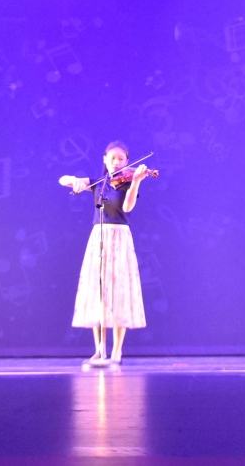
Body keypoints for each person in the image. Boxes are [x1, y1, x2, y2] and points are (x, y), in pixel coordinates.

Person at [59, 141, 149, 366]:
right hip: (98, 236)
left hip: (120, 237)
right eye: (112, 158)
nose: (116, 162)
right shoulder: (98, 183)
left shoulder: (128, 183)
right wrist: (75, 181)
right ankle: (100, 351)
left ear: (127, 161)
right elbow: (63, 180)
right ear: (105, 160)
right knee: (98, 292)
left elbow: (127, 208)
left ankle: (117, 352)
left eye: (121, 159)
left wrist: (136, 181)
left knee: (119, 292)